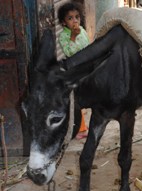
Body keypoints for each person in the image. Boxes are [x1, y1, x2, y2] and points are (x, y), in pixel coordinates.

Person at [58, 2, 89, 139]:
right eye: (70, 18)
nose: (75, 20)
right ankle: (79, 129)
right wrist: (72, 37)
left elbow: (89, 48)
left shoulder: (82, 30)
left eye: (77, 17)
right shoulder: (63, 36)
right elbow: (69, 52)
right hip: (74, 70)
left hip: (86, 68)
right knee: (75, 101)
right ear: (63, 22)